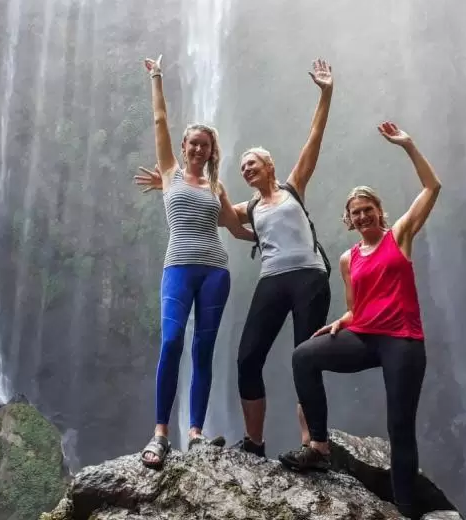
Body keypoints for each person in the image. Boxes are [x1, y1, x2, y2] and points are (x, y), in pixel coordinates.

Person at [134, 58, 335, 458]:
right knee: (203, 348)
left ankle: (308, 444)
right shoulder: (201, 185)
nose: (247, 169)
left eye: (252, 164)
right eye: (243, 166)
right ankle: (192, 437)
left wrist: (326, 92)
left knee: (295, 357)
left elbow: (312, 141)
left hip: (272, 274)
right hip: (216, 270)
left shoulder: (271, 189)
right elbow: (161, 124)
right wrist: (156, 77)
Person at [280, 121, 440, 520]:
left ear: (379, 211)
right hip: (365, 335)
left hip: (402, 340)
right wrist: (340, 322)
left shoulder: (399, 235)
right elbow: (358, 306)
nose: (363, 215)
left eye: (368, 209)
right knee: (304, 356)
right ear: (348, 220)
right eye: (356, 212)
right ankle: (318, 446)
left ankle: (405, 509)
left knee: (400, 426)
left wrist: (408, 144)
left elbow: (431, 188)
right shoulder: (348, 259)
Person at [139, 54, 251, 470]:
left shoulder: (217, 186)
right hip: (179, 270)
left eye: (205, 144)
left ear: (210, 150)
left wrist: (272, 234)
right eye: (193, 143)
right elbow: (160, 121)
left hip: (215, 271)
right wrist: (156, 77)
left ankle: (196, 433)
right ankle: (160, 433)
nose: (198, 149)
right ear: (184, 148)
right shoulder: (168, 172)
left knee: (203, 350)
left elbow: (235, 228)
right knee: (171, 344)